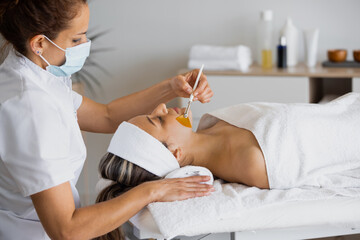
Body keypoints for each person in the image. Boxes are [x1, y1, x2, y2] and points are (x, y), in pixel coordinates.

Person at [0, 0, 215, 239]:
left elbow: (106, 116)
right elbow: (66, 230)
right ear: (39, 43)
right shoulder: (31, 109)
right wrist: (152, 191)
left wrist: (172, 87)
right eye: (76, 39)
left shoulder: (36, 67)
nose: (84, 45)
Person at [97, 93, 360, 205]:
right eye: (158, 119)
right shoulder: (256, 162)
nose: (161, 107)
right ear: (175, 152)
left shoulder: (212, 124)